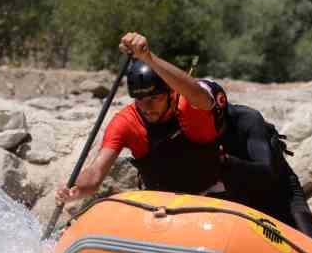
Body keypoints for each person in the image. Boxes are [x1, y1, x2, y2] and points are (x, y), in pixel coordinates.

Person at [56, 32, 228, 204]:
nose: (147, 108)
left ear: (171, 94)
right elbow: (95, 172)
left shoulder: (189, 105)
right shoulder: (125, 122)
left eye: (154, 98)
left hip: (212, 194)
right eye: (140, 99)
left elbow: (198, 94)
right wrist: (77, 189)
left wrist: (148, 57)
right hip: (159, 204)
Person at [211, 89, 312, 242]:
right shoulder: (180, 129)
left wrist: (227, 161)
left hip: (282, 191)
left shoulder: (248, 119)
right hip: (238, 197)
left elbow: (267, 171)